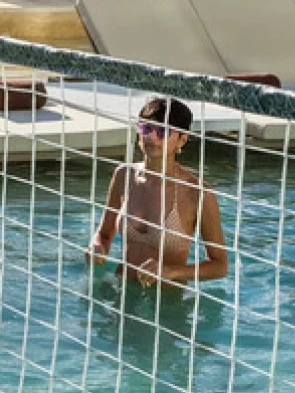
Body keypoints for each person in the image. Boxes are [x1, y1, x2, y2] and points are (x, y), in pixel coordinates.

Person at [88, 97, 229, 288]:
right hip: (122, 293)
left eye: (162, 131)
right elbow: (104, 234)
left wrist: (170, 271)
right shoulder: (124, 175)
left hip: (168, 305)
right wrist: (97, 247)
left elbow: (219, 265)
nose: (151, 137)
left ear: (182, 139)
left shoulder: (197, 193)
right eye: (146, 129)